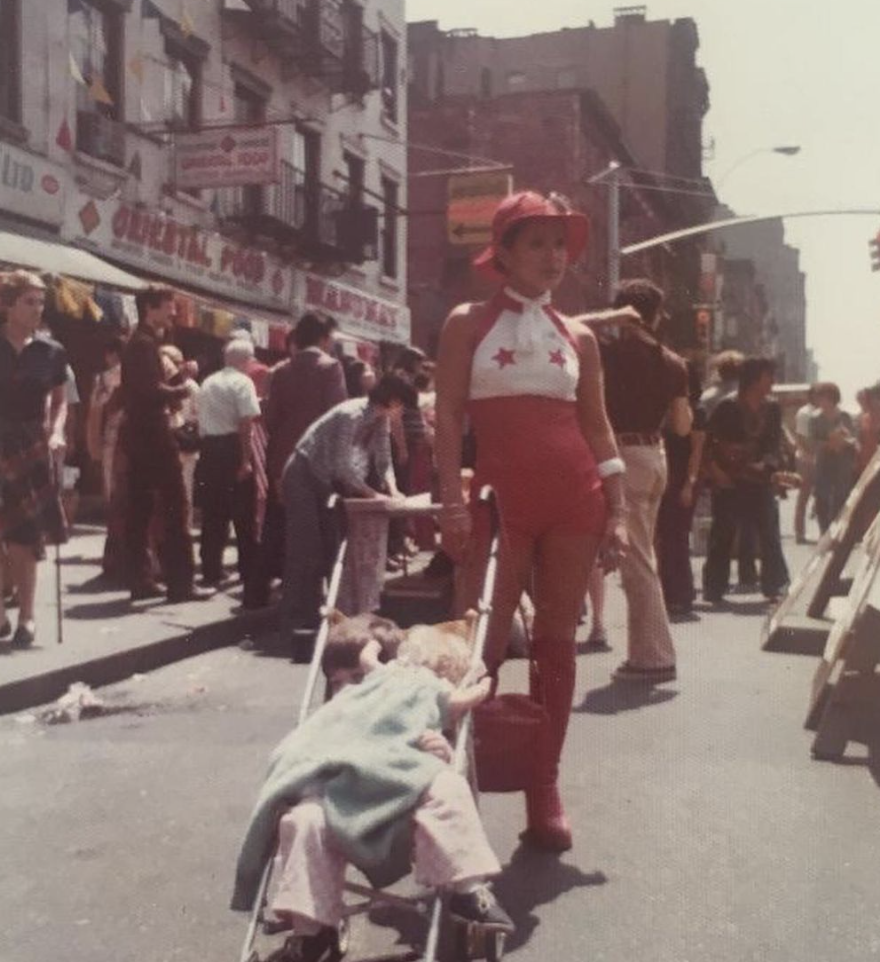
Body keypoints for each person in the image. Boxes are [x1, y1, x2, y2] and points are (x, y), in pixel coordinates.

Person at [434, 190, 629, 852]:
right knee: (479, 643)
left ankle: (544, 784)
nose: (553, 257)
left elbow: (597, 426)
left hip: (576, 499)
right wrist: (450, 500)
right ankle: (459, 778)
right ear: (505, 253)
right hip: (497, 502)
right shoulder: (466, 323)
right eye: (538, 243)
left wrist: (621, 510)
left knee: (555, 643)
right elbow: (448, 417)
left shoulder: (580, 337)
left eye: (560, 245)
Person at [230, 619, 513, 960]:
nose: (349, 690)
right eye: (337, 683)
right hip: (337, 811)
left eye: (358, 678)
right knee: (301, 822)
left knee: (448, 785)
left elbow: (434, 754)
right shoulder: (331, 723)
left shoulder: (409, 714)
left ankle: (468, 890)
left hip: (404, 814)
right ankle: (313, 930)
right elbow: (297, 763)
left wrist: (441, 752)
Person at [593, 278, 692, 681]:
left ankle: (655, 657)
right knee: (640, 557)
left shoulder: (609, 354)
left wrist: (607, 318)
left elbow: (560, 324)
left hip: (624, 457)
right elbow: (683, 425)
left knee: (638, 564)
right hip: (656, 457)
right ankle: (644, 654)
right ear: (654, 315)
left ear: (624, 312)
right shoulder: (673, 361)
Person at [280, 373, 415, 660]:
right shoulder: (351, 415)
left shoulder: (380, 420)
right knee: (307, 549)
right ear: (392, 401)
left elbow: (383, 460)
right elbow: (343, 466)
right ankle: (296, 622)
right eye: (401, 404)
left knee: (332, 548)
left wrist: (392, 489)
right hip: (304, 473)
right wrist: (373, 495)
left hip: (327, 479)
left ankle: (332, 617)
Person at [120, 287, 209, 603]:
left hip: (140, 434)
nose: (173, 313)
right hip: (154, 434)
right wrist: (181, 389)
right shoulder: (144, 344)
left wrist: (172, 384)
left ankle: (141, 579)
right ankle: (181, 584)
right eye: (169, 307)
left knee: (141, 509)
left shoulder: (140, 343)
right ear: (150, 308)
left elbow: (144, 389)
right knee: (175, 506)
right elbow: (149, 391)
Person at [253, 314, 348, 608]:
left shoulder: (281, 371)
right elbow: (338, 417)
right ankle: (322, 599)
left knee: (280, 527)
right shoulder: (330, 368)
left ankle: (268, 593)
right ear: (323, 338)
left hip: (283, 458)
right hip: (318, 461)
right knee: (324, 529)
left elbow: (269, 418)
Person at [0, 270, 68, 648]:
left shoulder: (51, 352)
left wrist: (57, 431)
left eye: (41, 302)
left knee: (24, 537)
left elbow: (60, 403)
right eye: (30, 301)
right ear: (7, 303)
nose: (37, 308)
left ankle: (27, 617)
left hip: (30, 445)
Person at [702, 357, 790, 604]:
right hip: (730, 480)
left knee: (769, 533)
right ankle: (714, 587)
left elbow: (774, 445)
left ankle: (775, 585)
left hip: (759, 480)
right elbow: (708, 444)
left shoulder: (772, 408)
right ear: (754, 378)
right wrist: (715, 471)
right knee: (723, 534)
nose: (772, 381)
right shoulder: (726, 407)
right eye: (768, 376)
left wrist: (768, 465)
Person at [197, 337, 262, 597]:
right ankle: (248, 569)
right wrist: (246, 459)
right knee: (243, 514)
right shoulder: (242, 382)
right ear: (245, 360)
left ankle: (210, 569)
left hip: (209, 448)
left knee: (213, 512)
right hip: (232, 446)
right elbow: (246, 424)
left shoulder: (208, 381)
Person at [656, 360, 707, 616]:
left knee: (677, 537)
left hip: (683, 479)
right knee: (664, 537)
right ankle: (667, 593)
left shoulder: (697, 410)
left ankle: (682, 594)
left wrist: (690, 483)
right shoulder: (663, 406)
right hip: (664, 478)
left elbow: (696, 451)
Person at [159, 344, 200, 530]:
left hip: (183, 441)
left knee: (184, 488)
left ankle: (184, 528)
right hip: (166, 441)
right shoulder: (159, 385)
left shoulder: (189, 387)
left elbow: (198, 414)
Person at [809, 381, 857, 533]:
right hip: (824, 463)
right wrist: (828, 443)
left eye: (822, 397)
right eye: (818, 397)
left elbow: (854, 439)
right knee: (822, 499)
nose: (819, 401)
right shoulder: (815, 419)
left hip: (842, 464)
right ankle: (825, 533)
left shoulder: (845, 417)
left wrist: (844, 440)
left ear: (831, 397)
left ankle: (838, 535)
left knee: (841, 499)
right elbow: (812, 443)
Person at [793, 384, 818, 543]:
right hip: (806, 459)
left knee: (821, 494)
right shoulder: (805, 412)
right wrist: (812, 455)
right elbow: (801, 438)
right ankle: (800, 533)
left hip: (819, 459)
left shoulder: (820, 411)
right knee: (804, 495)